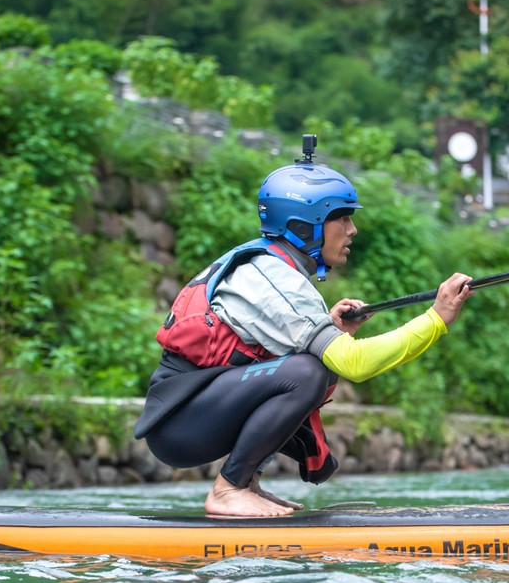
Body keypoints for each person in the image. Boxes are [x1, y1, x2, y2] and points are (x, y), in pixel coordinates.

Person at [133, 141, 473, 518]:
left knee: (314, 365)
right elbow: (355, 364)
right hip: (180, 424)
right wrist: (436, 318)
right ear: (305, 224)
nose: (352, 230)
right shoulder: (273, 277)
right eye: (342, 219)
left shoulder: (272, 268)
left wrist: (332, 328)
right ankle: (229, 489)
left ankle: (246, 483)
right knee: (308, 371)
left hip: (193, 416)